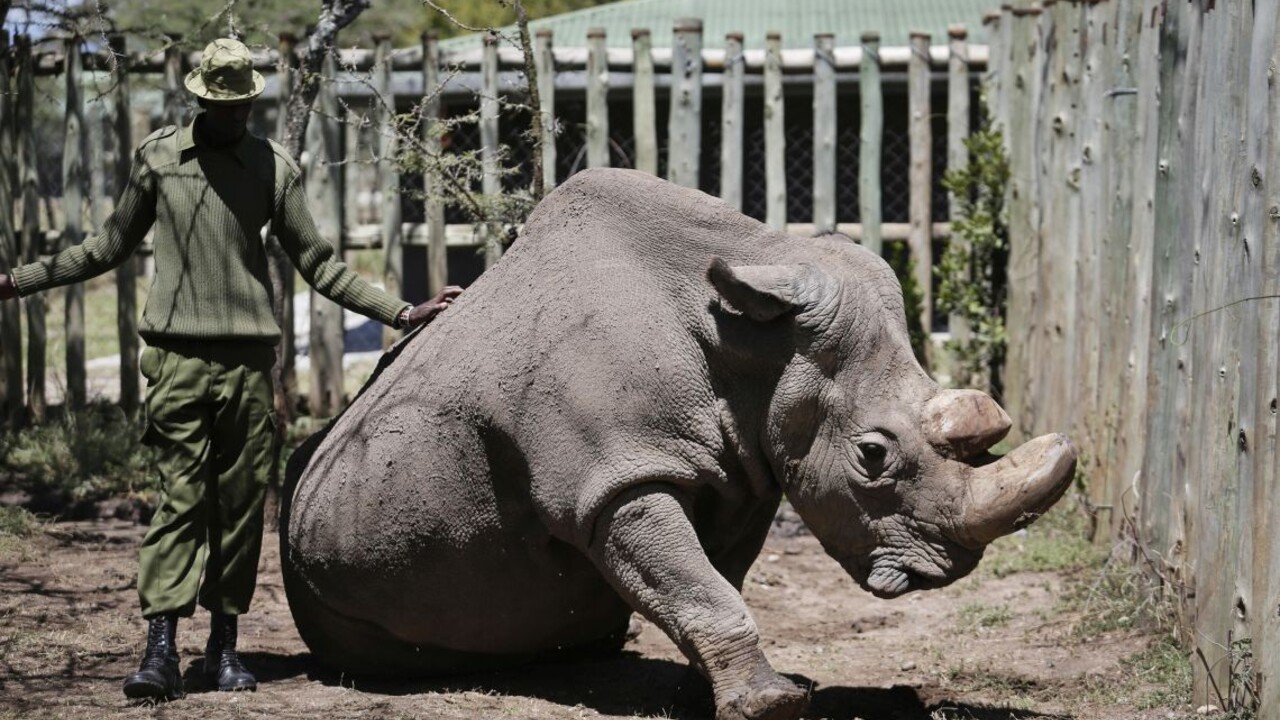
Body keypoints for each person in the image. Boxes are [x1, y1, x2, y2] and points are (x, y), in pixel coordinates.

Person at [0, 38, 463, 701]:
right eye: (223, 105)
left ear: (253, 99)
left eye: (244, 104)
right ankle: (160, 650)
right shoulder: (159, 160)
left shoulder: (273, 167)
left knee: (241, 510)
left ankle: (223, 649)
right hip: (178, 362)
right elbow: (106, 245)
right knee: (180, 503)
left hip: (248, 367)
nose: (235, 116)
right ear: (200, 99)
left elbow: (318, 261)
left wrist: (400, 311)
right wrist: (18, 281)